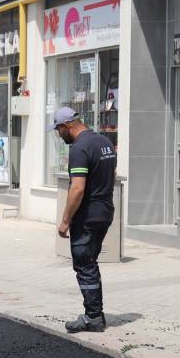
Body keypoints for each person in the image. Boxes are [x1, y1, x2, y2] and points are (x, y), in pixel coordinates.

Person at [51, 107, 117, 334]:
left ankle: (93, 318)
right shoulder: (104, 142)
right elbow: (112, 176)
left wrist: (65, 220)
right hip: (106, 211)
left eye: (59, 130)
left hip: (88, 215)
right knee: (90, 262)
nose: (59, 136)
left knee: (84, 264)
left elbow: (77, 189)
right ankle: (96, 313)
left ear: (67, 125)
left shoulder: (80, 148)